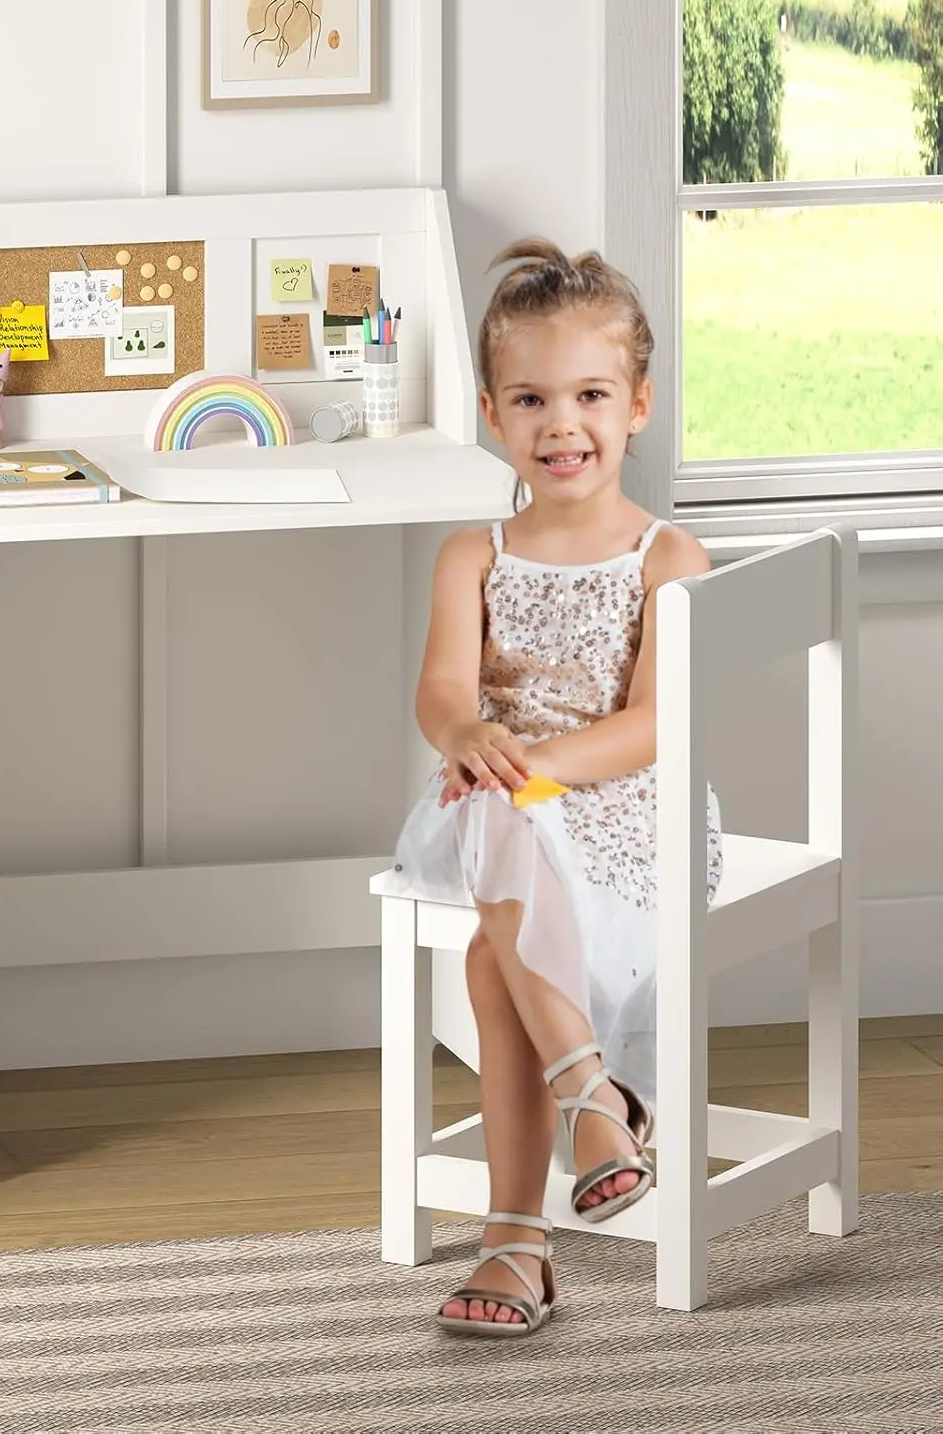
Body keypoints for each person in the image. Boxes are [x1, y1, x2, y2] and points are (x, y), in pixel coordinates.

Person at [386, 237, 722, 1338]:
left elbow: (654, 727)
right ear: (492, 411)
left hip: (629, 809)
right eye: (531, 399)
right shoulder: (468, 556)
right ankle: (593, 1096)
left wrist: (528, 766)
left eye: (589, 395)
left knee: (495, 953)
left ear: (639, 403)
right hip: (497, 803)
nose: (561, 424)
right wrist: (473, 730)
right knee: (489, 811)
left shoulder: (667, 555)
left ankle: (516, 1240)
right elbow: (440, 695)